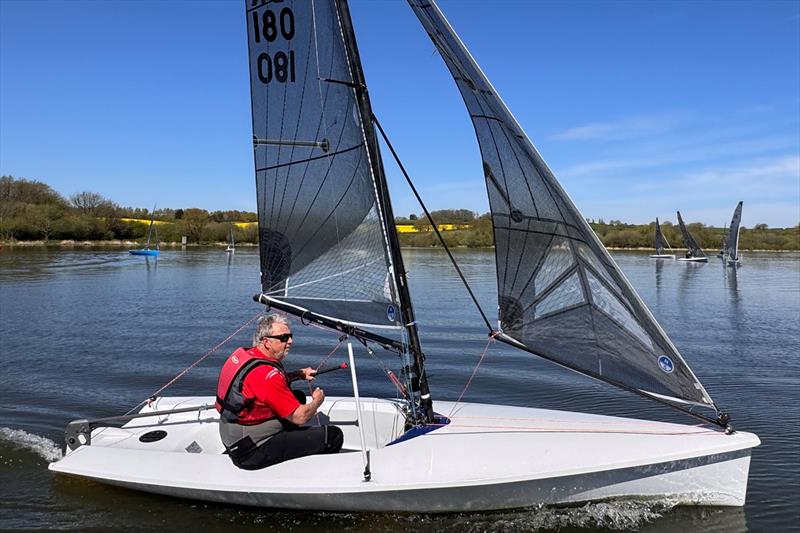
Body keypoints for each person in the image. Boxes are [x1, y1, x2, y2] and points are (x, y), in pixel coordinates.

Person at [215, 314, 343, 470]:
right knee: (333, 435)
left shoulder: (244, 355)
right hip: (248, 451)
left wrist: (298, 374)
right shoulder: (268, 376)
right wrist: (317, 401)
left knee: (298, 397)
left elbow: (259, 385)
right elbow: (300, 417)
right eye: (283, 338)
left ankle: (291, 446)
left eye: (290, 336)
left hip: (230, 433)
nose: (290, 341)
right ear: (266, 341)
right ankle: (313, 475)